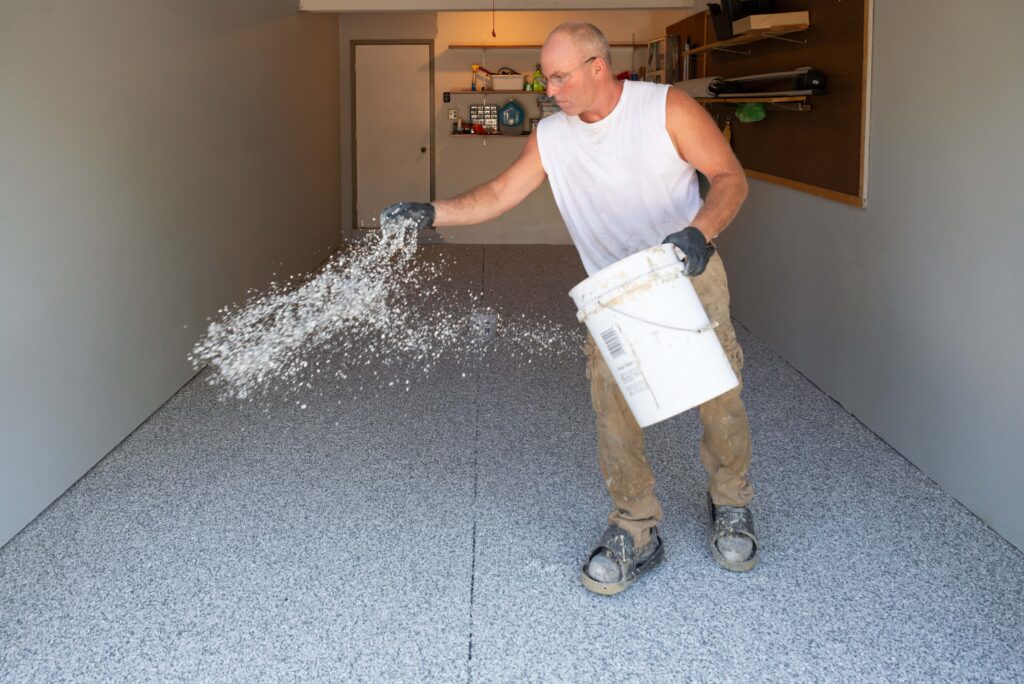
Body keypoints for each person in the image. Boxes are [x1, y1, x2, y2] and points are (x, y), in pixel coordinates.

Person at [383, 21, 757, 596]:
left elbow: (730, 178)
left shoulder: (665, 108)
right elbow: (499, 194)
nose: (548, 88)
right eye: (546, 77)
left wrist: (699, 234)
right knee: (615, 411)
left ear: (596, 68)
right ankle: (636, 524)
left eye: (558, 77)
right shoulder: (553, 135)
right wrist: (431, 212)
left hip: (686, 271)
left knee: (717, 396)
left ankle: (730, 502)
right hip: (611, 291)